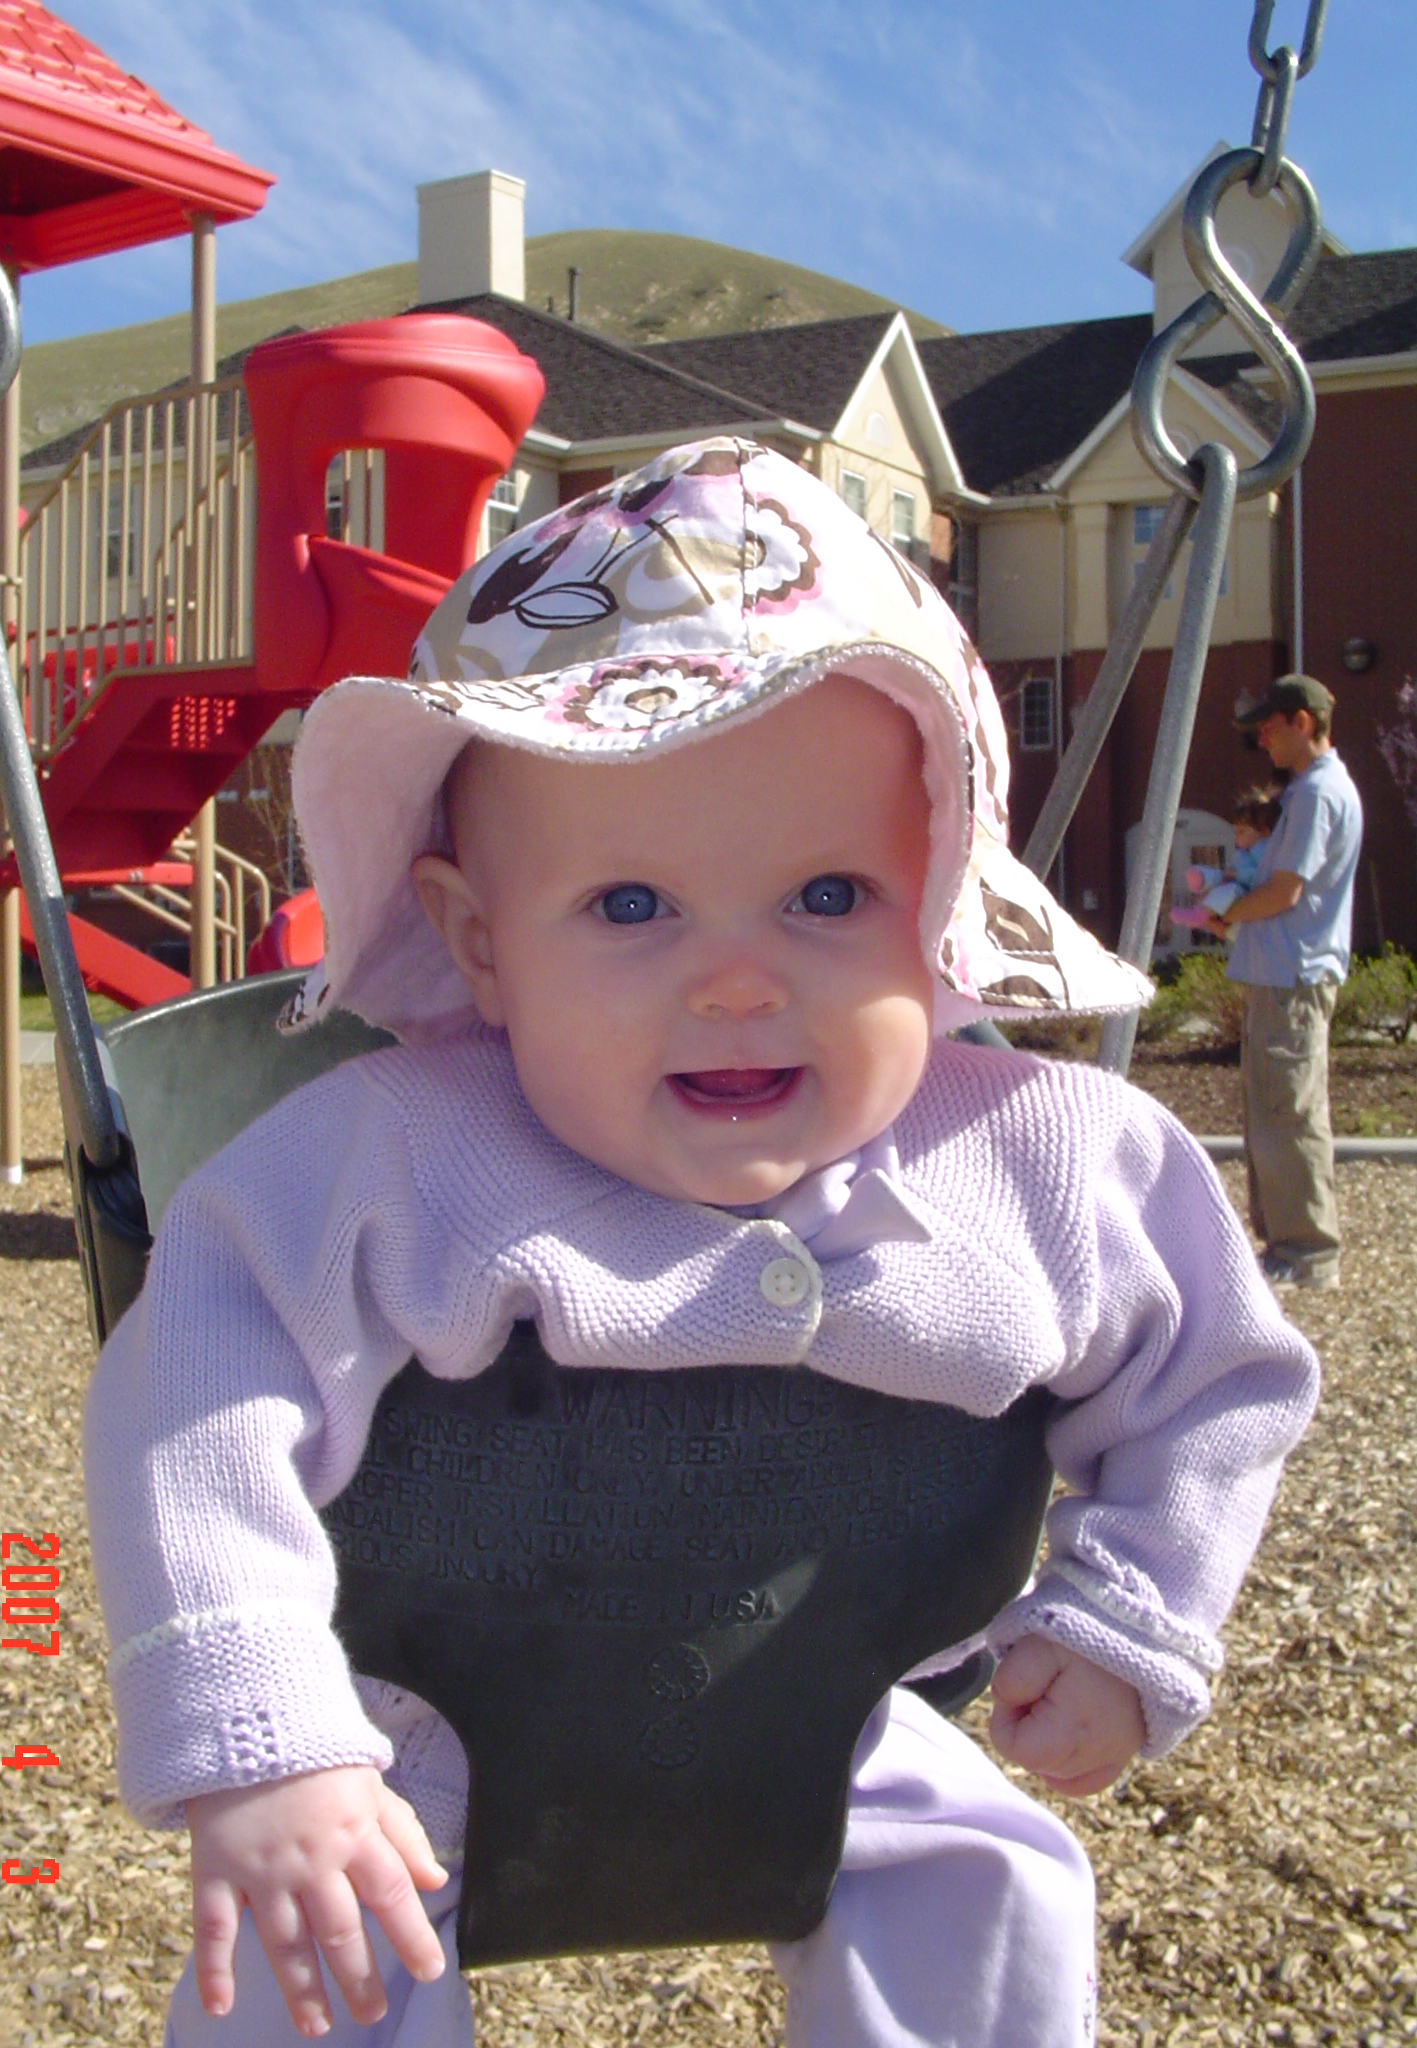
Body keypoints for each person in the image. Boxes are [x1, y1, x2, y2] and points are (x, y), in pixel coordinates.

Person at [83, 438, 1319, 2048]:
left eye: (828, 896)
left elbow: (1217, 1376)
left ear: (943, 900)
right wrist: (265, 1732)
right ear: (478, 942)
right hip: (415, 1740)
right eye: (630, 907)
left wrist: (1132, 1613)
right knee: (312, 1943)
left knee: (999, 1878)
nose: (738, 981)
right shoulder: (390, 1153)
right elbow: (192, 1393)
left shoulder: (1049, 1155)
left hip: (840, 1710)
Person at [1208, 674, 1364, 1291]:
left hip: (1293, 976)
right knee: (1277, 1112)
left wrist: (1228, 915)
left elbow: (1284, 890)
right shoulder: (1306, 792)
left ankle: (1306, 1253)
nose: (1261, 739)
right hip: (1285, 974)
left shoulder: (1318, 794)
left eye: (1270, 727)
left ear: (1304, 722)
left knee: (1289, 1113)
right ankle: (1285, 1245)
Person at [1169, 785, 1281, 930]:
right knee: (1221, 880)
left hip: (1248, 891)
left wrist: (1237, 875)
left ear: (1264, 831)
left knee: (1229, 891)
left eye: (1242, 832)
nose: (1236, 837)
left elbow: (1262, 874)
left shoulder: (1263, 850)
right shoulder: (1245, 851)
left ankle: (1201, 914)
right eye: (1235, 832)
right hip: (1237, 884)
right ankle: (1201, 878)